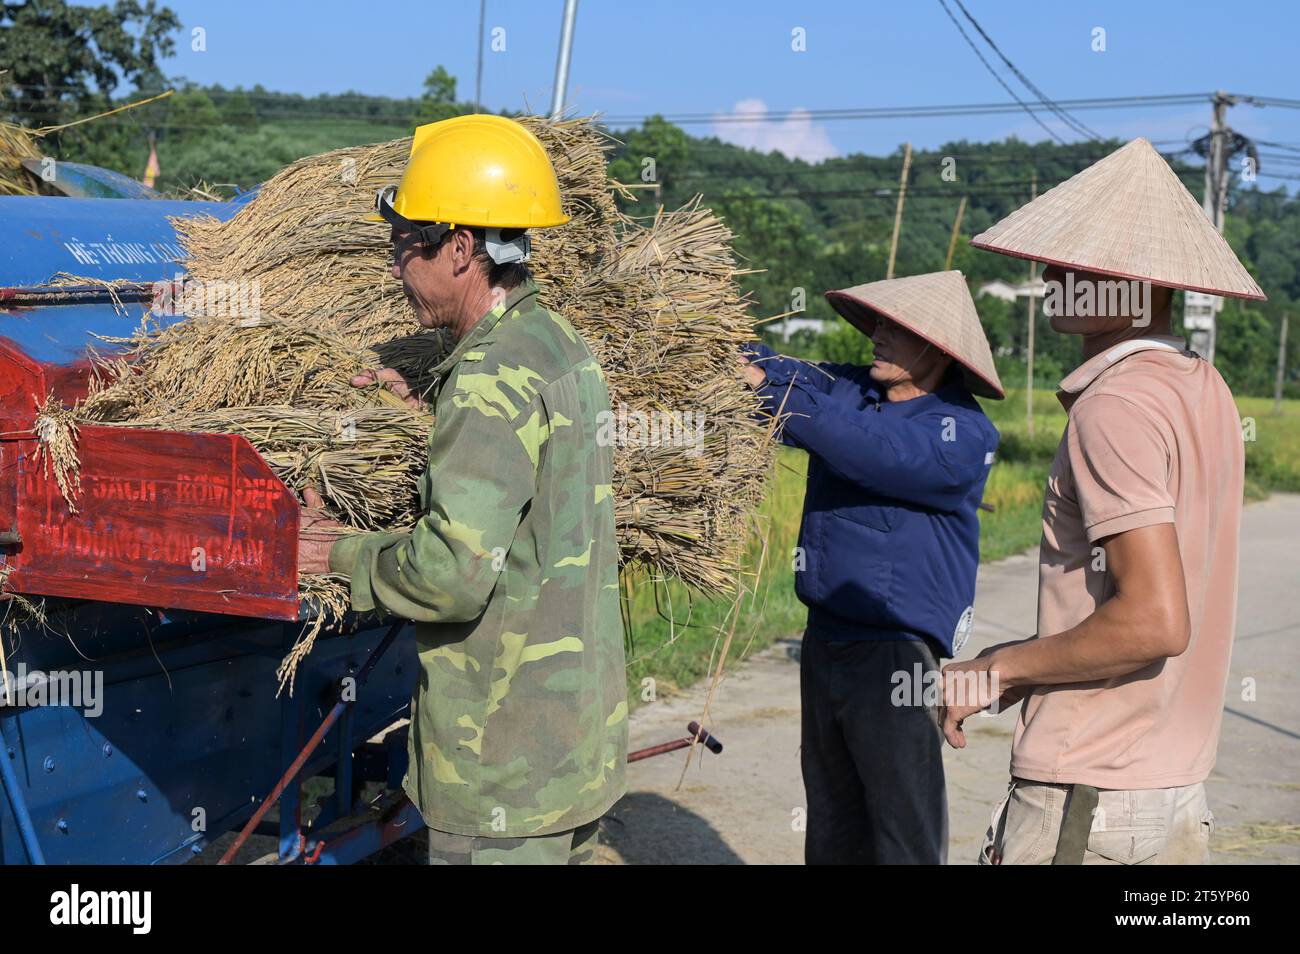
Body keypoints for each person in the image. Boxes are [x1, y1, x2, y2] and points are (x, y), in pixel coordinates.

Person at [297, 114, 627, 865]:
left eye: (401, 247)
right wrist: (432, 428)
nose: (393, 269)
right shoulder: (558, 345)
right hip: (572, 744)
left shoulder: (488, 380)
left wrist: (333, 553)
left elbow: (450, 576)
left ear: (459, 248)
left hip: (501, 761)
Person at [945, 137, 1266, 865]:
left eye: (1074, 259)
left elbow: (1153, 619)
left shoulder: (1114, 406)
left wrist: (1000, 669)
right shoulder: (1202, 388)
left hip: (1091, 798)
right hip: (1171, 790)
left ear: (1132, 280)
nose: (1052, 273)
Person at [741, 270, 1003, 864]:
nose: (877, 336)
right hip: (826, 640)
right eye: (878, 322)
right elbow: (782, 369)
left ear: (938, 350)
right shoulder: (852, 389)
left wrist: (769, 391)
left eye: (896, 328)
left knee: (900, 830)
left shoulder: (960, 433)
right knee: (832, 821)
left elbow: (868, 448)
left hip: (895, 655)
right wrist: (728, 355)